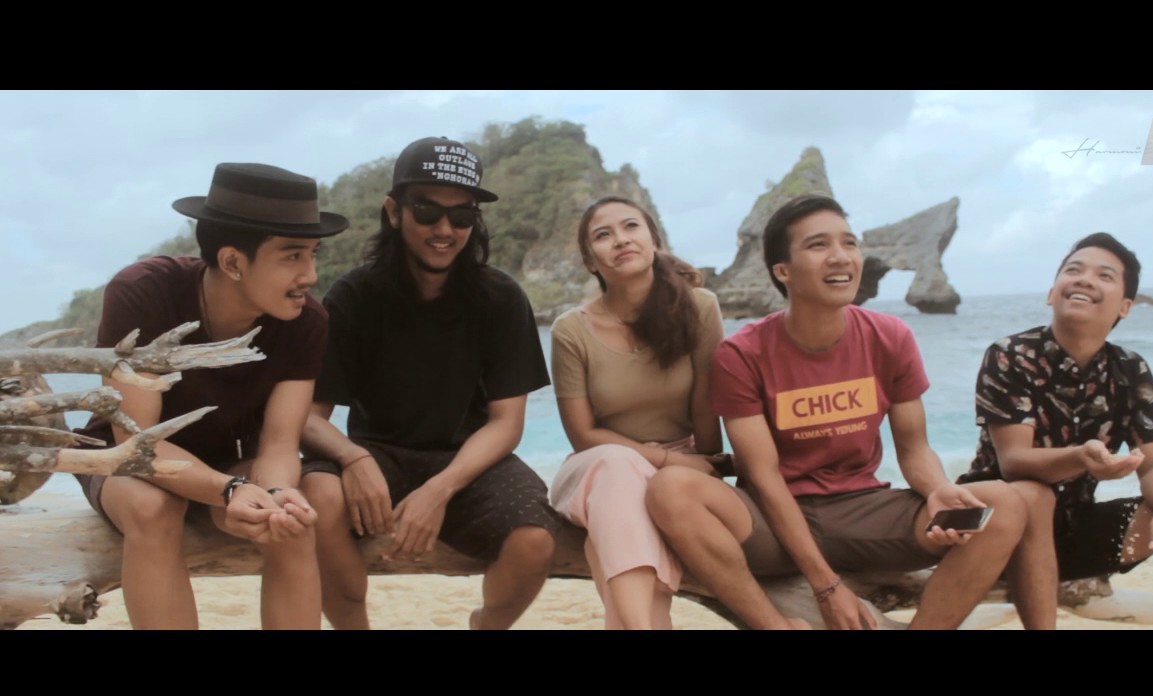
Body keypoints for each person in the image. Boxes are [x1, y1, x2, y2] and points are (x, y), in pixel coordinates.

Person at [646, 193, 1033, 630]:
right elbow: (765, 477)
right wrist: (826, 586)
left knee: (1003, 503)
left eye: (849, 243)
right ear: (782, 271)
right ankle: (774, 625)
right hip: (770, 521)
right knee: (671, 488)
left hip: (862, 510)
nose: (841, 256)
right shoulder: (742, 353)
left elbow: (913, 448)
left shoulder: (890, 337)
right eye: (818, 245)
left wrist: (937, 488)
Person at [75, 162, 349, 629]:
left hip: (229, 461)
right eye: (292, 257)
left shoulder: (306, 321)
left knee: (289, 520)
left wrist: (275, 494)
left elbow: (280, 445)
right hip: (126, 461)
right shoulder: (143, 293)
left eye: (313, 254)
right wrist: (230, 490)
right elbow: (137, 442)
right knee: (154, 509)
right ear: (233, 262)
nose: (310, 274)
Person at [300, 137, 559, 630]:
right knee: (319, 495)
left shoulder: (500, 297)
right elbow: (307, 417)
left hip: (469, 460)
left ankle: (486, 624)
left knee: (534, 542)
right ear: (393, 211)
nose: (444, 229)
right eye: (427, 211)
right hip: (376, 452)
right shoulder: (355, 296)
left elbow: (506, 424)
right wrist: (352, 458)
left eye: (462, 216)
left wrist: (439, 490)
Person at [958, 232, 1153, 629]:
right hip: (989, 531)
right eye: (1073, 270)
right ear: (1051, 293)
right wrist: (1081, 458)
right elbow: (1013, 462)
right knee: (1034, 495)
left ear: (1125, 306)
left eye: (1104, 276)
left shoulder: (1129, 370)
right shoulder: (1011, 354)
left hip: (1070, 529)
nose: (1084, 279)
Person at [548, 196, 725, 630]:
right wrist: (668, 461)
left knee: (611, 536)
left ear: (654, 239)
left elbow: (707, 403)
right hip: (595, 468)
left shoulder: (699, 307)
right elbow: (583, 435)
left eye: (631, 227)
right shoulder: (571, 330)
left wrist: (709, 467)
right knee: (618, 467)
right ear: (590, 260)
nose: (620, 240)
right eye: (603, 235)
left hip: (671, 472)